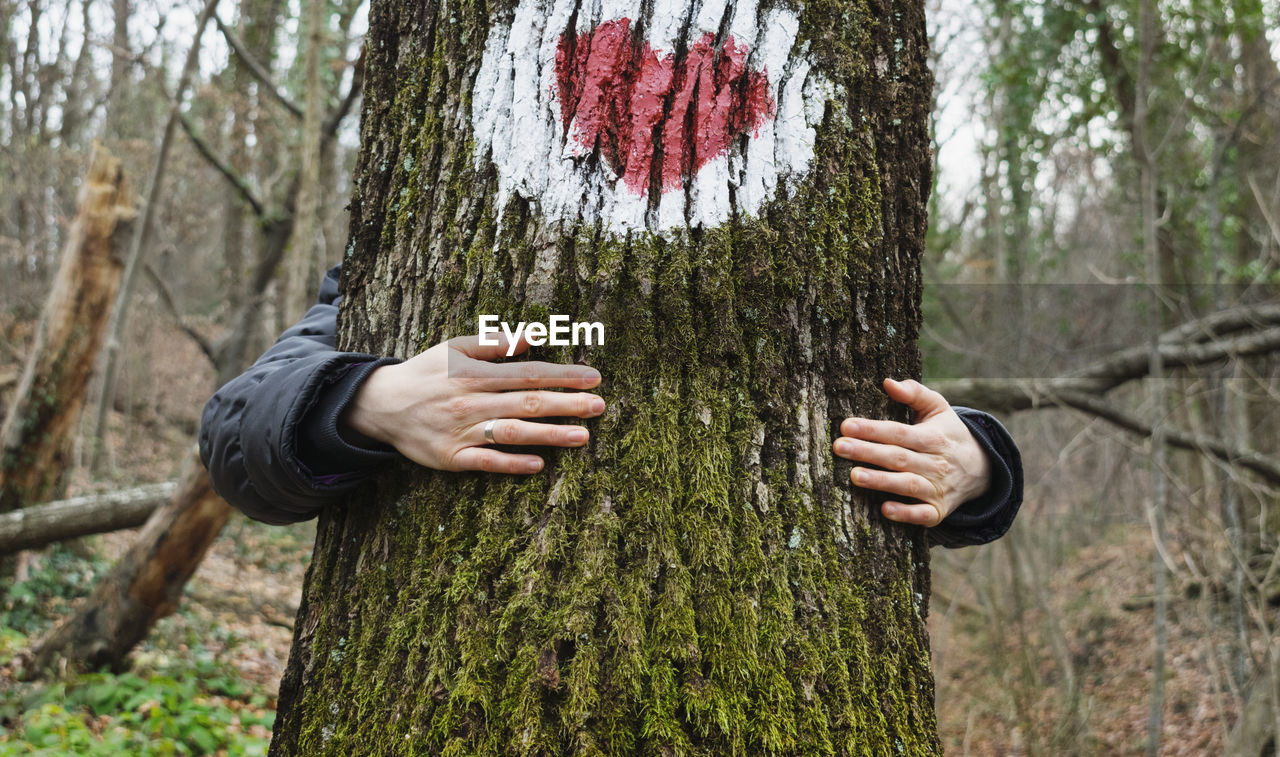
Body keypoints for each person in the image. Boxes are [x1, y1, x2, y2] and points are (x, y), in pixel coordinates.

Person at [200, 266, 1021, 547]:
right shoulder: (387, 261)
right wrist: (368, 399)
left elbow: (913, 413)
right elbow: (235, 429)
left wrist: (979, 464)